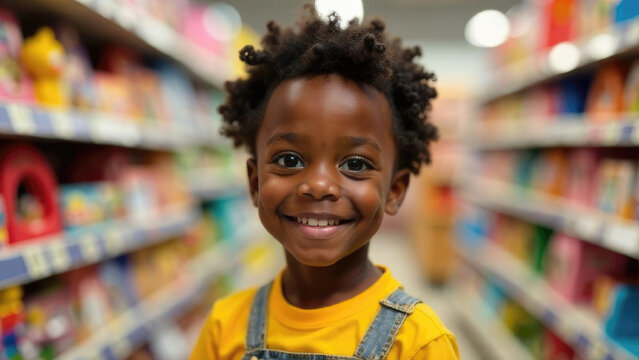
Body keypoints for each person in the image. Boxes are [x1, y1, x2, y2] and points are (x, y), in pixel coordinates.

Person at [191, 4, 459, 359]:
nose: (319, 185)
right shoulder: (224, 327)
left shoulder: (419, 343)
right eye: (289, 160)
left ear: (394, 191)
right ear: (255, 183)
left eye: (356, 163)